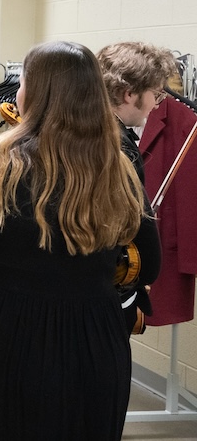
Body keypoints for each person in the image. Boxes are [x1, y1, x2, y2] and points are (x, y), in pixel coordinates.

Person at [0, 41, 154, 440]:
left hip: (6, 334)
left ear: (35, 93)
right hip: (96, 338)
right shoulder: (120, 165)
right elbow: (149, 263)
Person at [97, 41, 173, 333]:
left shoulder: (80, 130)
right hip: (109, 293)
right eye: (155, 94)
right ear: (129, 94)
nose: (156, 104)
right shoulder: (119, 148)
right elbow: (138, 227)